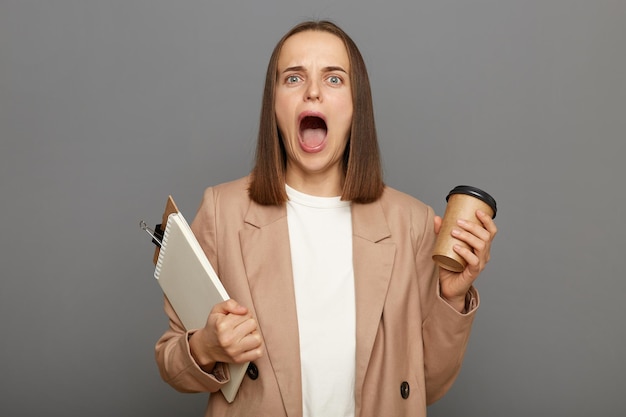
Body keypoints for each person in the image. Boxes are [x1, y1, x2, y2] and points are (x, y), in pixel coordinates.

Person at [155, 20, 497, 417]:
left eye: (334, 79)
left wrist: (452, 297)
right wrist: (206, 347)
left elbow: (426, 384)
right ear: (275, 104)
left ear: (356, 106)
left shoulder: (412, 222)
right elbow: (171, 360)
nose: (313, 91)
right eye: (293, 77)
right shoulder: (222, 210)